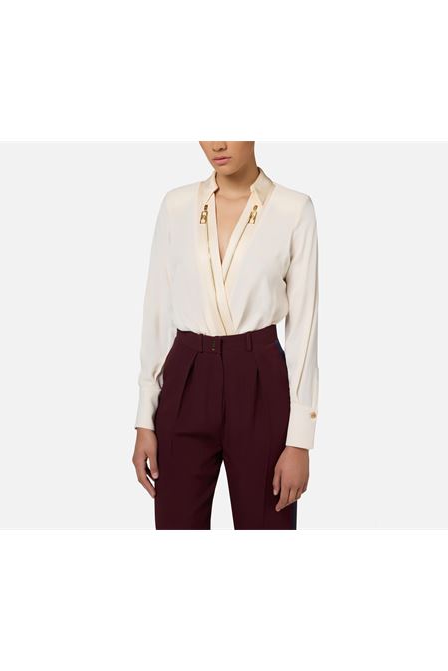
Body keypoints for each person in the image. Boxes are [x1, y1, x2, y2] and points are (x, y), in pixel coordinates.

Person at [132, 141, 319, 530]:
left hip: (259, 378)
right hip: (186, 376)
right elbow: (157, 312)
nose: (217, 143)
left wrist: (299, 440)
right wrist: (144, 419)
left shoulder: (293, 210)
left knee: (266, 530)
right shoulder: (176, 207)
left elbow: (304, 328)